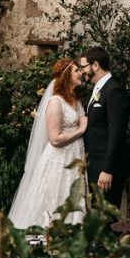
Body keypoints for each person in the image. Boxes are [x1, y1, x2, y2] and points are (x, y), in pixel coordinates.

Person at [7, 57, 88, 229]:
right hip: (58, 161)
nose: (80, 73)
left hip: (74, 159)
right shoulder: (55, 102)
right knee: (51, 202)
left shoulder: (76, 100)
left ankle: (68, 243)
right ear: (66, 77)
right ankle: (40, 244)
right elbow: (55, 139)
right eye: (76, 71)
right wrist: (80, 130)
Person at [77, 46, 130, 209]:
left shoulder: (114, 90)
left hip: (106, 170)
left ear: (95, 65)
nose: (82, 72)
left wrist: (108, 170)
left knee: (105, 221)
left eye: (83, 67)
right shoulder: (99, 88)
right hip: (94, 166)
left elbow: (117, 134)